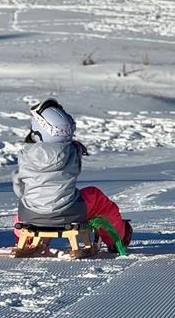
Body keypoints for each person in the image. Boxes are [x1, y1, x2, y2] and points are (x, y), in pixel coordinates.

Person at [11, 99, 131, 252]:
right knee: (96, 197)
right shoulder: (72, 152)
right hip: (69, 212)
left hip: (30, 215)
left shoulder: (25, 155)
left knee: (24, 205)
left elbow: (19, 188)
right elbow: (75, 170)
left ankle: (27, 241)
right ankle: (118, 238)